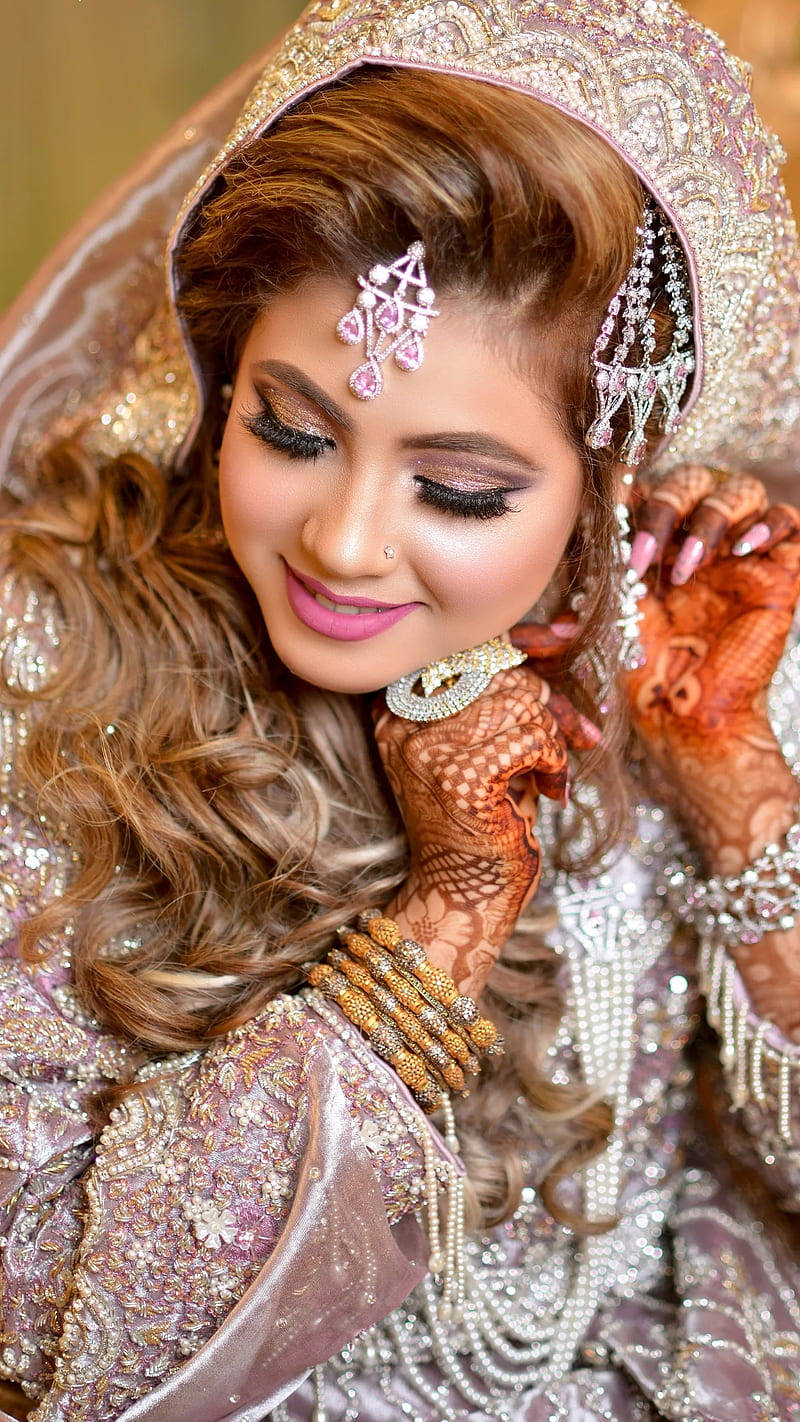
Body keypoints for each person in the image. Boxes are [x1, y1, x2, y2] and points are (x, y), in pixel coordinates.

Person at [1, 0, 800, 1418]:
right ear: (216, 377)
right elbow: (76, 1360)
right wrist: (450, 902)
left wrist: (733, 789)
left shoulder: (693, 646)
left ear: (612, 477)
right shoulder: (54, 669)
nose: (346, 544)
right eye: (292, 431)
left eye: (461, 489)